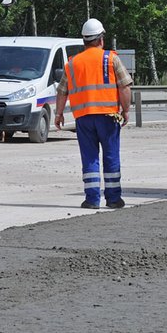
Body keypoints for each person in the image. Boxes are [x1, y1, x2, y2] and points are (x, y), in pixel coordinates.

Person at [54, 18, 133, 209]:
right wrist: (126, 109)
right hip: (108, 116)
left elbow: (62, 91)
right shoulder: (111, 58)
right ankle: (113, 199)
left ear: (84, 40)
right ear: (101, 39)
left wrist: (58, 114)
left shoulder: (72, 63)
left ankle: (92, 199)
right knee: (111, 156)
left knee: (90, 158)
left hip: (83, 118)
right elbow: (124, 87)